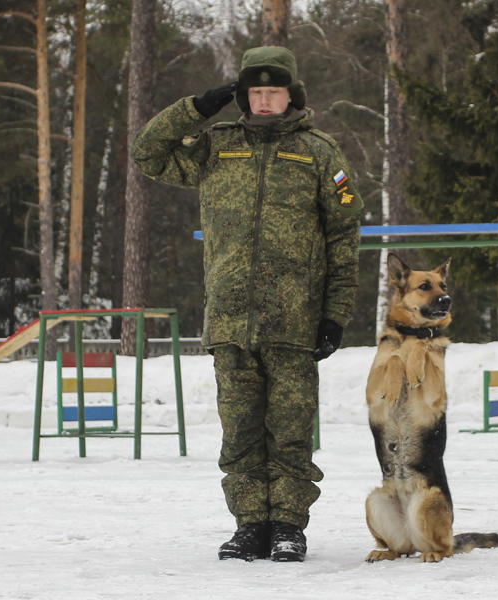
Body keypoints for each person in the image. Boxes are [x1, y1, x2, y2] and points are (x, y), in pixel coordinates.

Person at [131, 46, 362, 562]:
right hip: (230, 319)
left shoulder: (319, 153)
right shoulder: (216, 147)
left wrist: (335, 314)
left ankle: (288, 526)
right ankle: (250, 525)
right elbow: (147, 152)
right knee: (239, 433)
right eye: (254, 91)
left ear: (291, 95)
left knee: (290, 434)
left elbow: (344, 238)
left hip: (295, 320)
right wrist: (196, 108)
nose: (263, 100)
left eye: (273, 91)